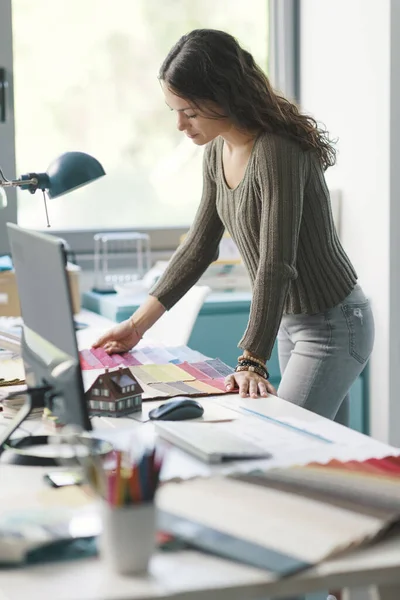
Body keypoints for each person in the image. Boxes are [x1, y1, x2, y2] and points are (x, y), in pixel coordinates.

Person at [93, 28, 374, 421]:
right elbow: (198, 248)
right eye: (174, 110)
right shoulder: (216, 153)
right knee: (321, 461)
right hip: (294, 322)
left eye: (189, 112)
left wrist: (253, 358)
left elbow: (276, 262)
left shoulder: (277, 151)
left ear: (223, 97)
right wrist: (136, 327)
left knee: (287, 445)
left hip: (333, 325)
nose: (180, 125)